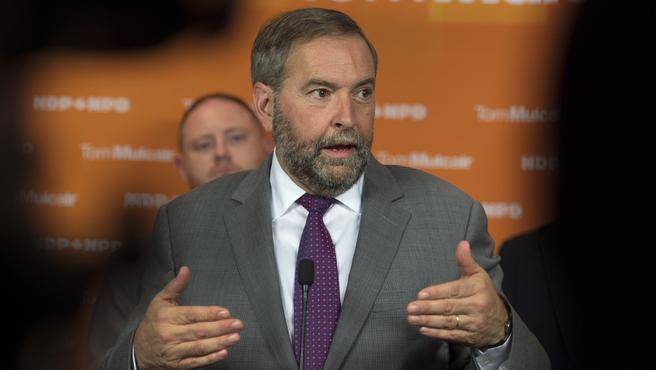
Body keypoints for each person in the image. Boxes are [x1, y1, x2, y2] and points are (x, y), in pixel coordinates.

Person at [98, 8, 549, 370]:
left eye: (362, 93)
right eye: (320, 93)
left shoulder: (449, 218)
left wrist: (499, 337)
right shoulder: (187, 225)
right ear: (266, 104)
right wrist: (142, 358)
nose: (347, 118)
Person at [88, 93, 270, 369]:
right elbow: (105, 362)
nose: (221, 152)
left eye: (236, 138)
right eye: (203, 144)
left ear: (268, 148)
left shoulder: (310, 237)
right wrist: (141, 353)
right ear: (181, 168)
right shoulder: (135, 263)